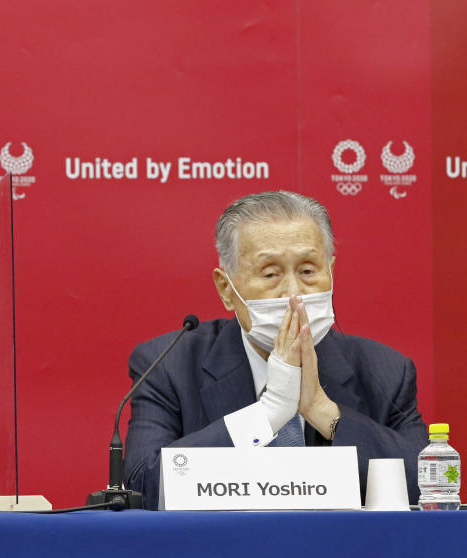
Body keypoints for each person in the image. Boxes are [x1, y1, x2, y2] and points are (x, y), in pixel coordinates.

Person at [124, 191, 428, 509]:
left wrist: (326, 413)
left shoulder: (385, 371)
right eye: (270, 274)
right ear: (226, 289)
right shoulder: (169, 365)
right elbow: (141, 489)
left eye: (308, 271)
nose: (294, 293)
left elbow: (430, 488)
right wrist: (267, 415)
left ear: (331, 273)